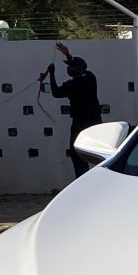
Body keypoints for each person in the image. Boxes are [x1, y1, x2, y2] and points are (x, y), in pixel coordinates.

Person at [45, 42, 102, 178]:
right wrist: (68, 55)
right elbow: (80, 68)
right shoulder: (90, 77)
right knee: (98, 155)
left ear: (73, 70)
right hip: (95, 123)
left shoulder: (71, 85)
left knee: (76, 155)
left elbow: (56, 92)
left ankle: (82, 181)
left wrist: (51, 74)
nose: (68, 69)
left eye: (69, 67)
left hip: (79, 124)